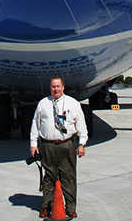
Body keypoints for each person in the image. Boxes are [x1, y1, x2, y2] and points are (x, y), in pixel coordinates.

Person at [30, 77, 88, 219]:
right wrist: (33, 144)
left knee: (68, 177)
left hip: (67, 144)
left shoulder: (72, 103)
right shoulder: (43, 104)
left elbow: (81, 125)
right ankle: (46, 206)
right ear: (50, 88)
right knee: (49, 177)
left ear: (63, 87)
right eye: (53, 87)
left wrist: (82, 144)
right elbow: (35, 124)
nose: (55, 89)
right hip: (48, 145)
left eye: (58, 87)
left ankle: (70, 207)